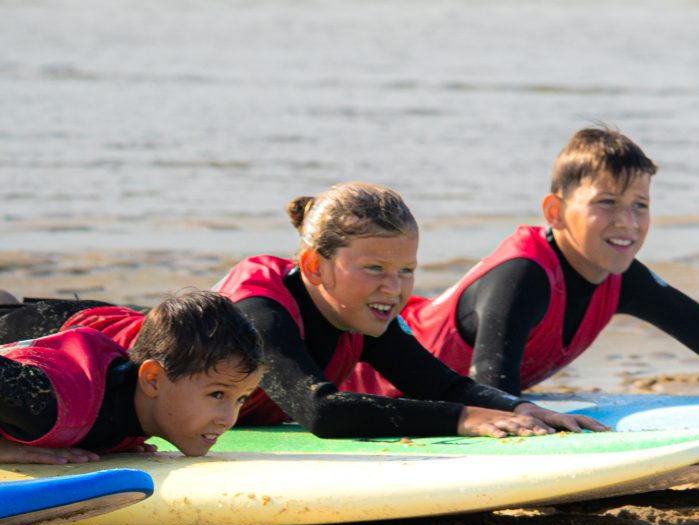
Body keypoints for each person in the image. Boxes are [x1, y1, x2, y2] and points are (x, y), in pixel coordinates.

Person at [7, 186, 603, 439]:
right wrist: (462, 421)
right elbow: (318, 410)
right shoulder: (263, 311)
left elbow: (438, 380)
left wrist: (516, 406)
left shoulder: (359, 313)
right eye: (373, 268)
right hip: (70, 350)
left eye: (406, 272)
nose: (393, 289)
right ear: (314, 266)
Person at [365, 128, 699, 398]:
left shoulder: (619, 278)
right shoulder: (522, 277)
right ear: (555, 212)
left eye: (641, 205)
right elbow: (493, 392)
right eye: (607, 203)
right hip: (368, 380)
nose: (628, 222)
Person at [0, 290, 264, 464]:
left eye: (241, 399)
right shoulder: (48, 404)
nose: (229, 418)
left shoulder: (135, 416)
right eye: (217, 394)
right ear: (153, 379)